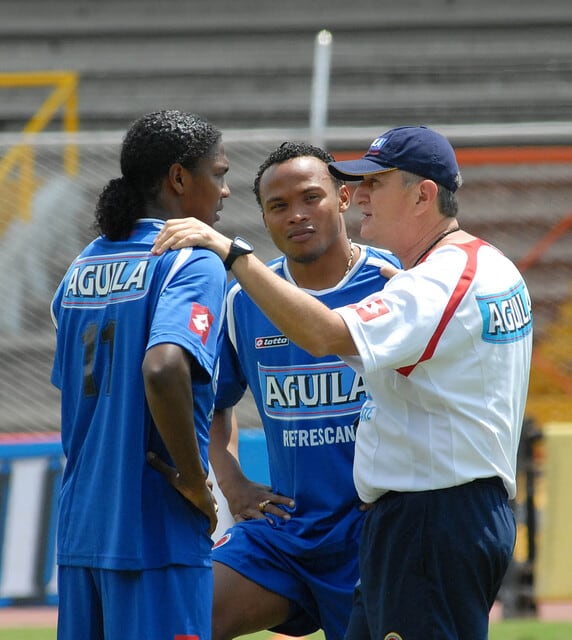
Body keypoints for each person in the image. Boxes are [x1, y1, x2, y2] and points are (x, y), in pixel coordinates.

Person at [152, 125, 533, 640]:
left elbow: (325, 334)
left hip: (410, 520)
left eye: (315, 196)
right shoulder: (483, 266)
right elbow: (216, 399)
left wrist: (232, 254)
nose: (298, 214)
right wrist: (231, 478)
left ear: (343, 198)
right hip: (306, 529)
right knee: (182, 618)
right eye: (278, 205)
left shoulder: (411, 283)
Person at [50, 109, 230, 640]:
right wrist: (197, 484)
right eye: (217, 174)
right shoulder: (191, 261)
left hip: (82, 528)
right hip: (155, 529)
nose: (223, 192)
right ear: (179, 178)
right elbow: (163, 366)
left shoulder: (81, 266)